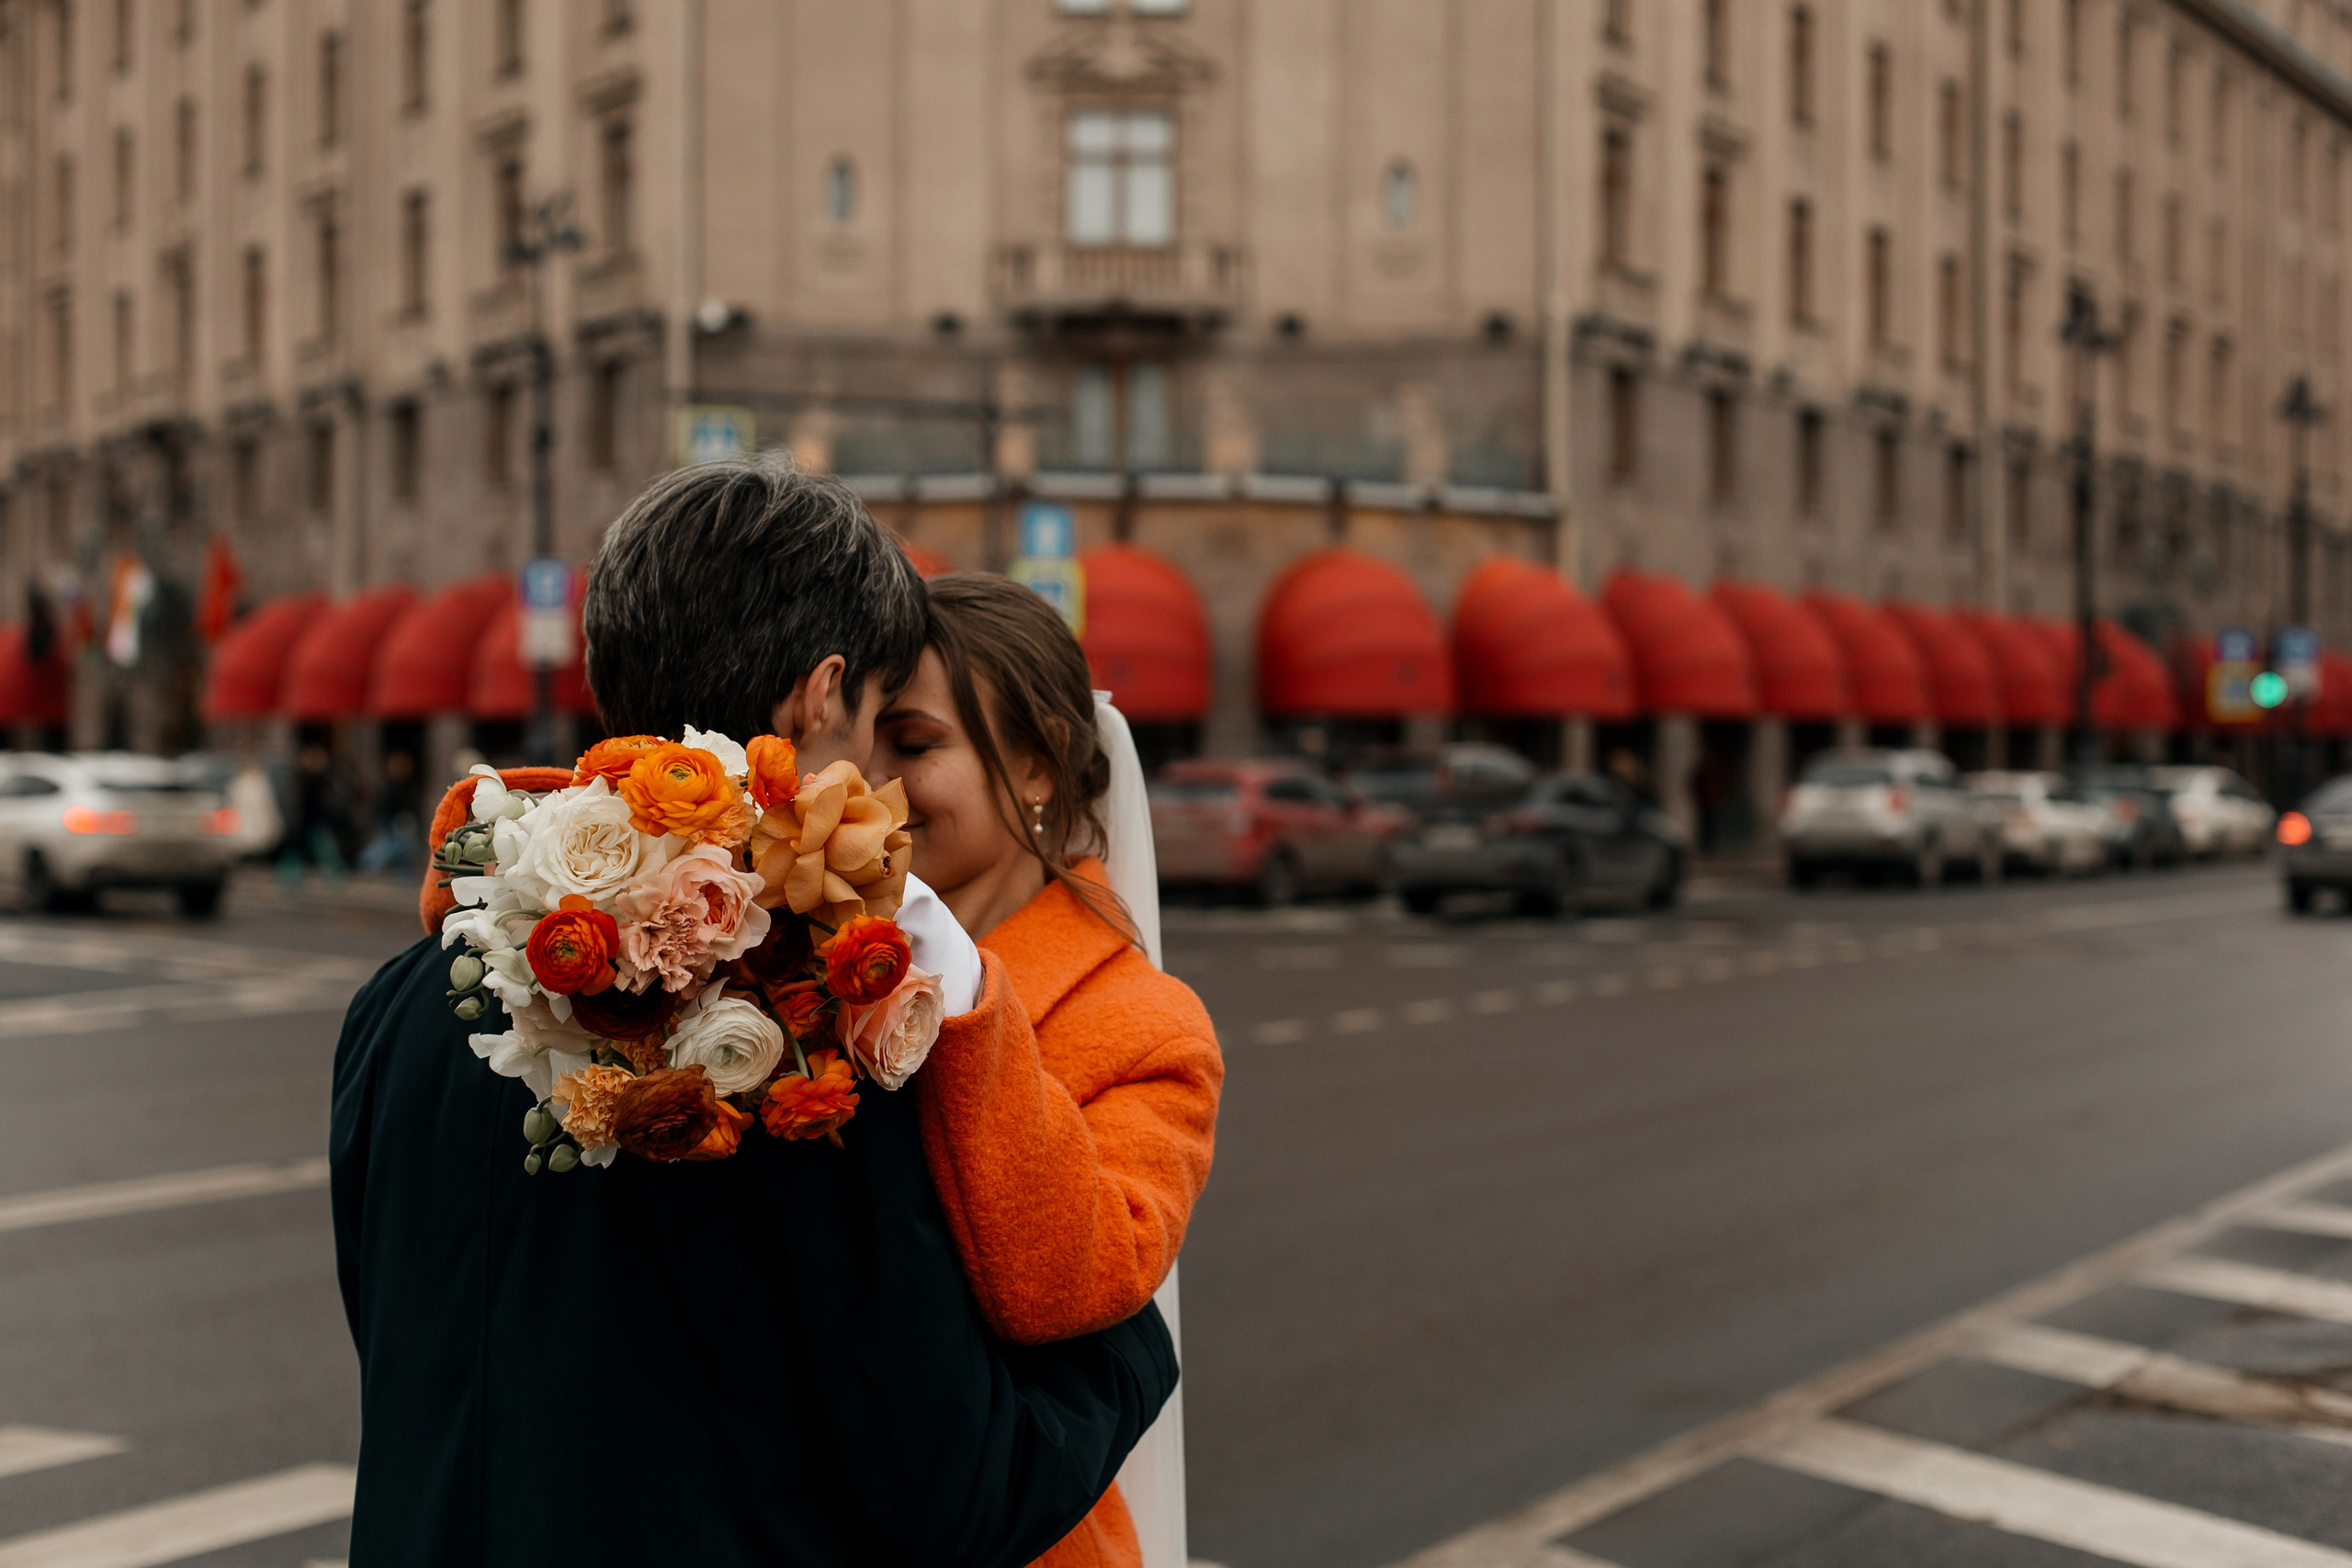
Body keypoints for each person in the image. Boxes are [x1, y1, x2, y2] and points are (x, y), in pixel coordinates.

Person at [335, 458, 1177, 1567]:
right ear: (821, 694)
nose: (874, 776)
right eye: (881, 722)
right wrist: (1126, 1350)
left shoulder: (406, 1003)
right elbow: (962, 1488)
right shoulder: (808, 1034)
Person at [872, 575, 1224, 1568]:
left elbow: (1062, 1283)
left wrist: (962, 995)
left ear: (1037, 763)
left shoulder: (1149, 1028)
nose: (872, 787)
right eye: (862, 748)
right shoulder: (815, 959)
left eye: (914, 745)